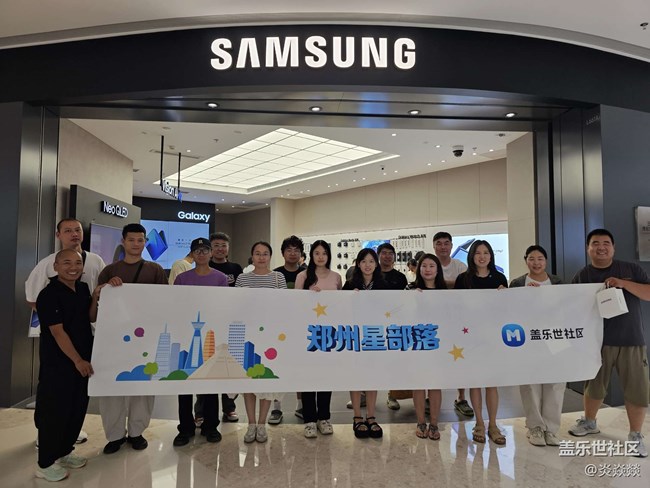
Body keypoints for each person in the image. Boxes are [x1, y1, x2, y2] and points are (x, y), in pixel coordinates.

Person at [568, 229, 648, 458]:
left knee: (636, 389)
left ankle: (635, 435)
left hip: (631, 340)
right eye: (595, 243)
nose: (601, 247)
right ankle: (590, 422)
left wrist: (623, 284)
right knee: (593, 386)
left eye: (605, 243)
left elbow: (648, 293)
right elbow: (572, 305)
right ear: (588, 248)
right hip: (597, 341)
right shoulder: (582, 275)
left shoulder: (630, 270)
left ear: (613, 247)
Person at [25, 218, 106, 446]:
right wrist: (58, 319)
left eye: (77, 230)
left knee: (77, 391)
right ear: (58, 235)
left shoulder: (95, 261)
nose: (74, 234)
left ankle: (67, 437)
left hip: (87, 336)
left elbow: (97, 297)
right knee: (54, 390)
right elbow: (32, 298)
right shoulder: (47, 264)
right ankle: (46, 438)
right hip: (58, 340)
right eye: (68, 230)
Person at [96, 223, 168, 454]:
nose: (136, 244)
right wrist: (105, 288)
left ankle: (137, 432)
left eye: (140, 240)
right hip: (114, 337)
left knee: (142, 384)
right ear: (123, 241)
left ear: (145, 242)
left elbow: (164, 301)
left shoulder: (155, 270)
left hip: (147, 337)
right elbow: (98, 302)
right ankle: (114, 435)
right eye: (131, 240)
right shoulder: (109, 271)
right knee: (112, 386)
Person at [34, 249, 102, 481]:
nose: (73, 267)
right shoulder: (48, 294)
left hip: (83, 360)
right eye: (66, 263)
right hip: (59, 364)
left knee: (76, 408)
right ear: (55, 266)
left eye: (78, 263)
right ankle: (45, 463)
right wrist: (77, 360)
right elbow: (58, 332)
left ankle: (64, 452)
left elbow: (90, 317)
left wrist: (95, 297)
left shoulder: (81, 288)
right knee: (55, 412)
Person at [172, 238, 228, 446]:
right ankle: (185, 428)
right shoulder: (182, 278)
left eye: (205, 250)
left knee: (211, 381)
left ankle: (211, 426)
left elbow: (224, 306)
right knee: (184, 383)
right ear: (192, 254)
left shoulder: (220, 278)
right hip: (186, 335)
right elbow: (176, 305)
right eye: (197, 250)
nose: (202, 254)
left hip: (212, 334)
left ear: (211, 253)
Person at [510, 245, 565, 447]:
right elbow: (511, 310)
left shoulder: (557, 282)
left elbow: (565, 307)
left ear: (546, 261)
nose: (536, 263)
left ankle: (551, 429)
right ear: (526, 261)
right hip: (528, 338)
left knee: (555, 382)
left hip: (554, 337)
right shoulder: (517, 283)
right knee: (530, 382)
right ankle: (535, 427)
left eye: (540, 258)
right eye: (531, 259)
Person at [454, 240, 508, 445]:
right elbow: (456, 308)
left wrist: (504, 296)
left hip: (493, 337)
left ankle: (493, 424)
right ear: (471, 256)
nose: (482, 256)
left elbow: (506, 309)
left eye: (486, 252)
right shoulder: (463, 279)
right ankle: (478, 423)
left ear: (491, 256)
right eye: (478, 253)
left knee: (491, 383)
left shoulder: (499, 278)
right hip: (470, 338)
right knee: (475, 382)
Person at [236, 241, 287, 443]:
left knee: (266, 380)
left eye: (265, 253)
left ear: (270, 256)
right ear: (252, 256)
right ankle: (250, 424)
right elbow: (237, 304)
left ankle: (261, 424)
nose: (261, 257)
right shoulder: (242, 278)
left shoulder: (278, 277)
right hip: (248, 334)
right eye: (257, 253)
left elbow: (284, 304)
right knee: (248, 381)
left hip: (270, 335)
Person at [295, 240, 342, 438]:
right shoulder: (303, 276)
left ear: (329, 255)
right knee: (308, 376)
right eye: (317, 253)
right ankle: (309, 420)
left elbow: (341, 304)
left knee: (326, 375)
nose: (320, 257)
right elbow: (295, 304)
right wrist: (308, 296)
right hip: (308, 333)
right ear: (311, 255)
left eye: (324, 253)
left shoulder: (336, 277)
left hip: (329, 334)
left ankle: (324, 417)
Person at [343, 248, 387, 439]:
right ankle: (357, 417)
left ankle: (371, 416)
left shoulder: (383, 285)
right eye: (363, 261)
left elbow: (392, 308)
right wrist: (350, 299)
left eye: (371, 261)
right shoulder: (349, 284)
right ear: (358, 264)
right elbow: (340, 308)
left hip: (374, 336)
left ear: (376, 264)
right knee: (355, 375)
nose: (367, 265)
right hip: (354, 335)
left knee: (372, 376)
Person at [433, 231, 473, 419]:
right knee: (435, 358)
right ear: (434, 246)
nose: (443, 247)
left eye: (446, 243)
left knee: (460, 357)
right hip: (434, 320)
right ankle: (431, 396)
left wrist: (440, 284)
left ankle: (461, 397)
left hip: (458, 319)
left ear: (451, 245)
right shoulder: (430, 264)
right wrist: (451, 284)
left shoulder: (460, 265)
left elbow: (464, 286)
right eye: (439, 243)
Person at [407, 253, 446, 440]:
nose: (428, 269)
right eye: (424, 266)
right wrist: (413, 299)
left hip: (439, 344)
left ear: (437, 270)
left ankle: (434, 424)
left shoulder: (445, 292)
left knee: (435, 384)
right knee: (419, 384)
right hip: (417, 343)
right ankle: (421, 422)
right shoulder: (410, 289)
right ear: (418, 269)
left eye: (432, 266)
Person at [272, 235, 307, 424]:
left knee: (300, 366)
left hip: (301, 326)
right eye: (289, 250)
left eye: (296, 250)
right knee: (278, 366)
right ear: (282, 253)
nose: (293, 253)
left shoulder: (307, 274)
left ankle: (300, 405)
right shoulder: (275, 274)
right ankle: (276, 408)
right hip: (279, 327)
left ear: (301, 254)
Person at [206, 231, 241, 422]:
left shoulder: (236, 268)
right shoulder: (204, 267)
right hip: (208, 322)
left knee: (229, 365)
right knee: (206, 365)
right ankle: (201, 411)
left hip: (230, 322)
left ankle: (229, 408)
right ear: (211, 249)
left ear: (228, 248)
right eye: (216, 245)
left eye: (223, 245)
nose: (220, 249)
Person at [376, 242, 408, 410]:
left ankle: (393, 395)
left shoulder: (400, 278)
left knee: (394, 360)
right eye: (384, 253)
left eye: (390, 253)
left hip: (394, 324)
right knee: (370, 360)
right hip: (373, 324)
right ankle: (364, 394)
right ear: (378, 255)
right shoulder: (371, 275)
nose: (387, 256)